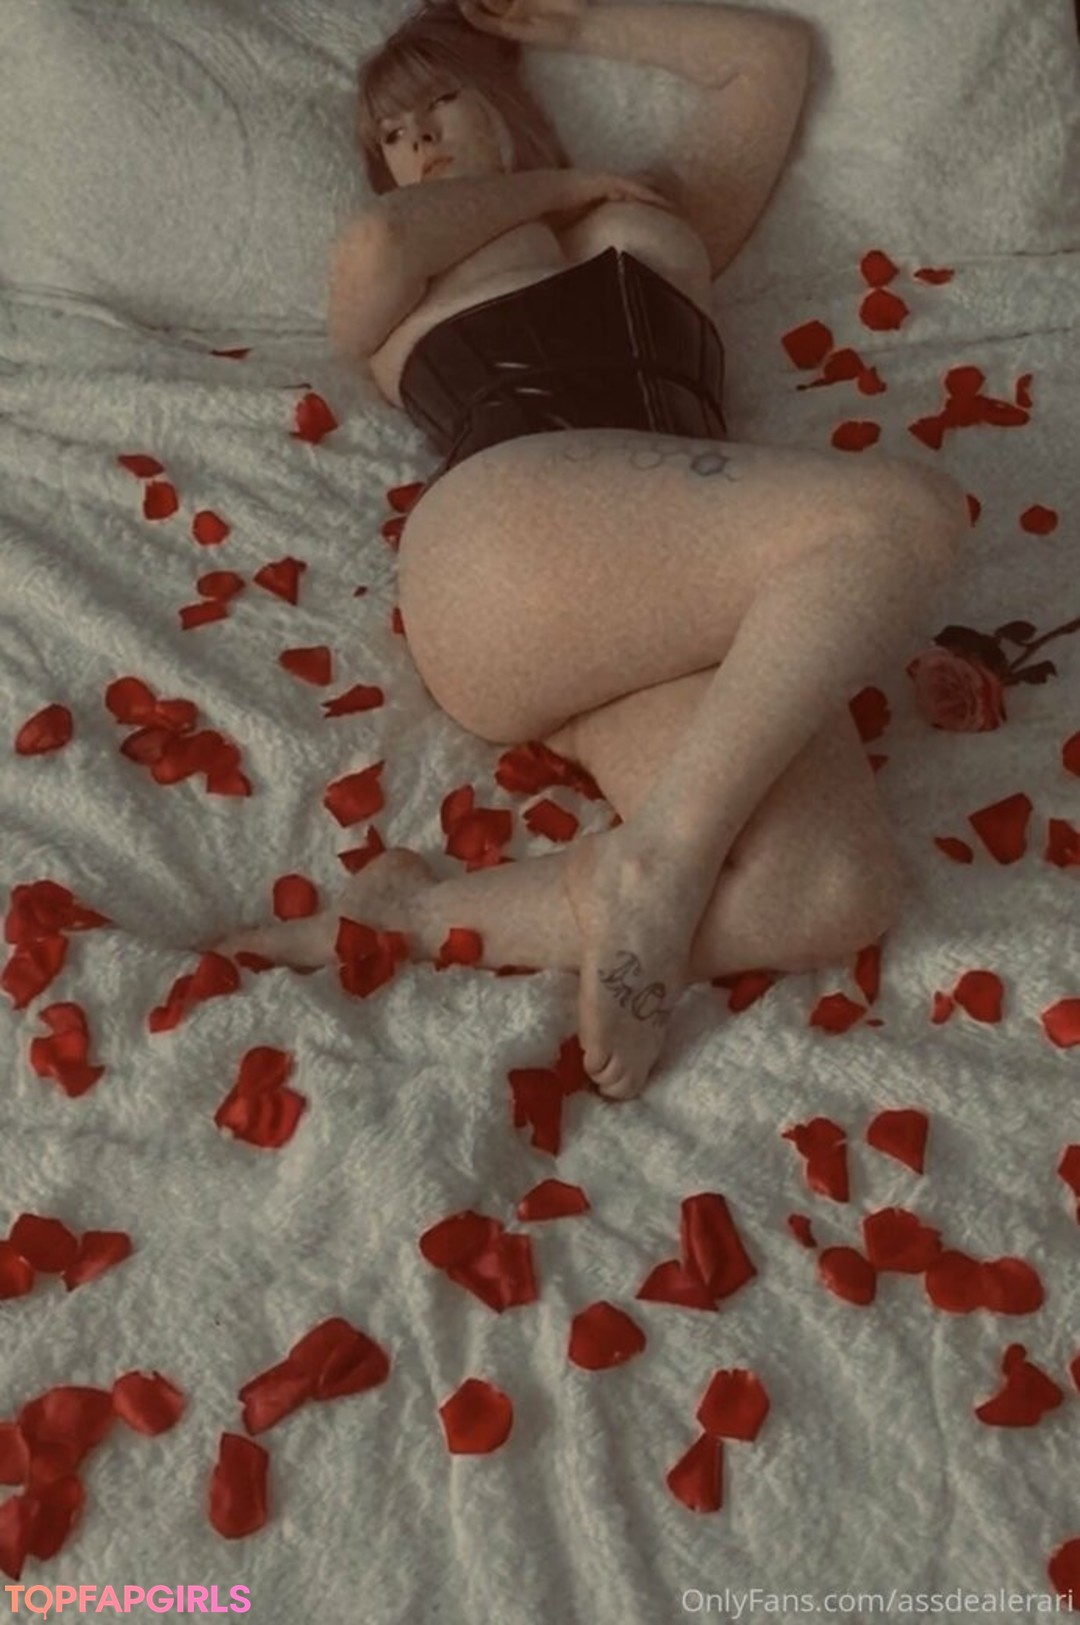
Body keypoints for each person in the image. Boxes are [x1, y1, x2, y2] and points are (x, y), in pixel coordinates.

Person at [213, 0, 969, 1104]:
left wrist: (562, 25)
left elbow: (768, 60)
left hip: (664, 603)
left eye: (441, 101)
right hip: (509, 546)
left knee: (834, 890)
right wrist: (561, 188)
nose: (418, 140)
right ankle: (659, 862)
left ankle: (413, 915)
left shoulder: (659, 209)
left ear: (502, 100)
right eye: (392, 135)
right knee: (905, 512)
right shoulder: (408, 259)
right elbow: (375, 244)